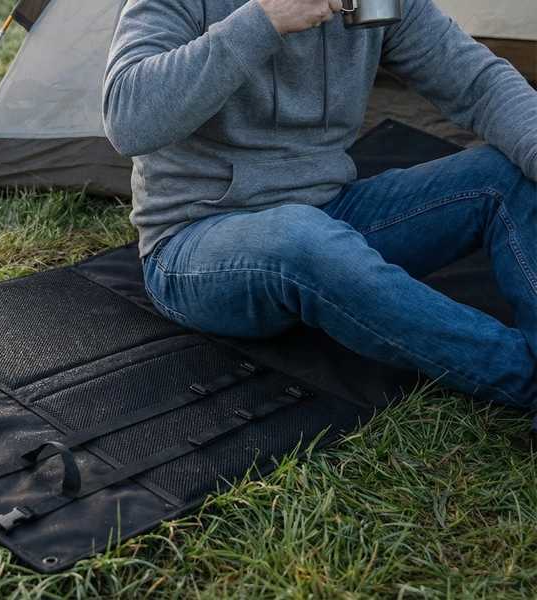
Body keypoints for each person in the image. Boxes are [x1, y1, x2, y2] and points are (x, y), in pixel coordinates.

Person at [102, 0, 537, 409]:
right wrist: (263, 20)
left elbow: (479, 84)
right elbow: (128, 122)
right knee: (300, 235)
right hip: (197, 241)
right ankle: (521, 376)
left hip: (329, 211)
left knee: (505, 173)